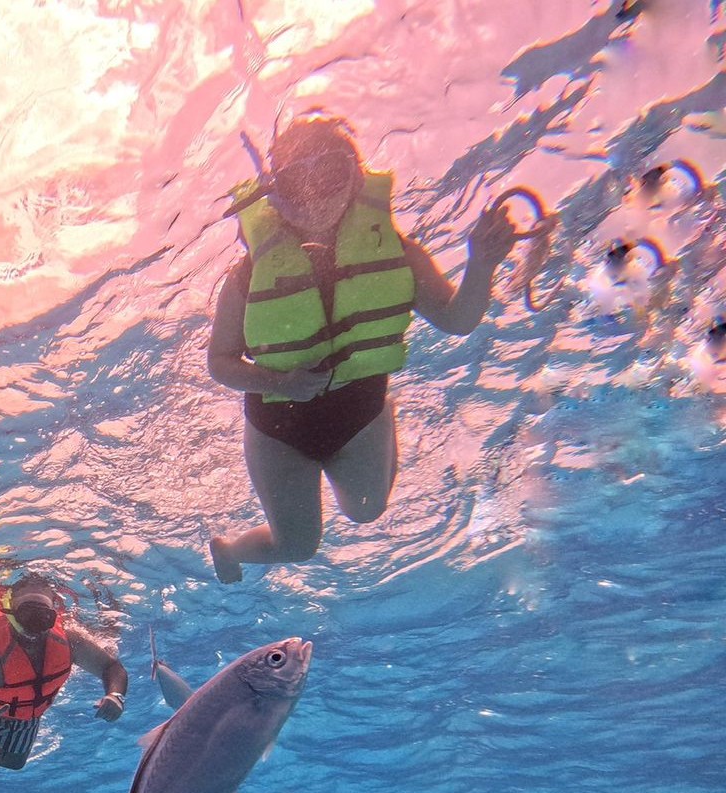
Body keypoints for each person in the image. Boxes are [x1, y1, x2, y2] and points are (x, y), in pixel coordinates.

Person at [206, 115, 527, 584]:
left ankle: (386, 416)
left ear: (355, 177)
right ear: (276, 192)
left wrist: (481, 265)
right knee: (297, 545)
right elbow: (219, 363)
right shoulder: (248, 273)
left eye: (330, 174)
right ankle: (231, 551)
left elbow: (456, 319)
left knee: (366, 511)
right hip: (278, 428)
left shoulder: (395, 252)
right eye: (298, 181)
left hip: (360, 414)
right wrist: (281, 382)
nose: (317, 195)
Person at [0, 574, 128, 788]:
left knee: (14, 761)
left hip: (24, 714)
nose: (34, 630)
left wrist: (115, 694)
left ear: (53, 617)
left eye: (43, 619)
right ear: (10, 614)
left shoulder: (70, 641)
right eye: (27, 616)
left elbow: (111, 667)